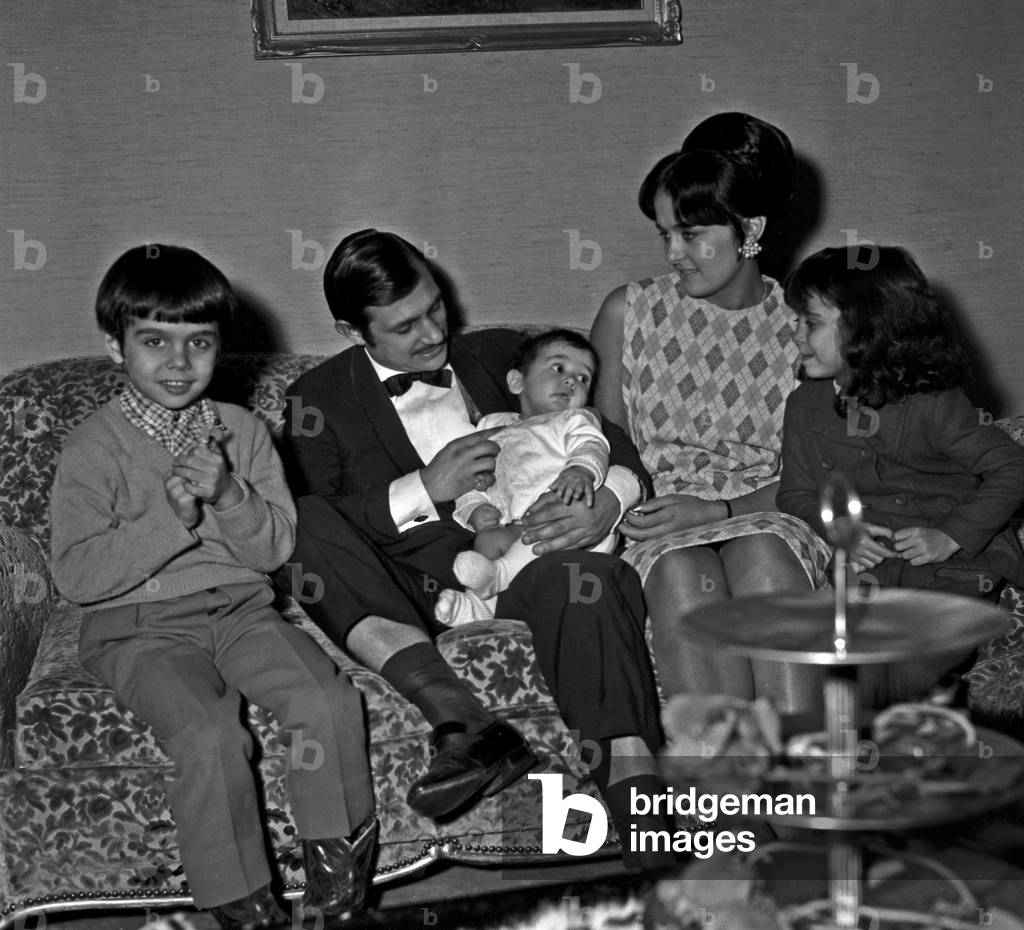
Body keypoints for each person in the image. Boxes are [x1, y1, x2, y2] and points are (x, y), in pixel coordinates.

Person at [280, 229, 675, 870]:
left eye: (435, 306)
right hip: (411, 586)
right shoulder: (317, 399)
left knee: (586, 579)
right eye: (405, 326)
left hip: (530, 556)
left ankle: (645, 823)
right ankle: (463, 721)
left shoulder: (498, 353)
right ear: (352, 332)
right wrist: (424, 487)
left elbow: (606, 438)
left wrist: (610, 498)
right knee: (298, 520)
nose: (434, 332)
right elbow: (318, 521)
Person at [49, 245, 376, 929]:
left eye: (198, 342)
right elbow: (76, 576)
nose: (178, 361)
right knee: (207, 734)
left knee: (326, 699)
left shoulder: (244, 432)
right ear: (115, 346)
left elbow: (274, 547)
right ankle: (245, 908)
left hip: (242, 614)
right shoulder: (91, 446)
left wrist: (230, 496)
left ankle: (337, 888)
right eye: (154, 342)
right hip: (136, 629)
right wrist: (172, 519)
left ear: (219, 347)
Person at [589, 113, 830, 712]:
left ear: (750, 228)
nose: (675, 253)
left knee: (763, 553)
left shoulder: (804, 325)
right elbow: (604, 444)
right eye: (664, 234)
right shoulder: (629, 312)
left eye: (691, 234)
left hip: (770, 510)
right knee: (679, 570)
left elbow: (820, 471)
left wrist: (721, 510)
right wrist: (648, 509)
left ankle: (802, 765)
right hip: (659, 520)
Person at [778, 244, 1024, 703]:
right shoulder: (803, 405)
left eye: (810, 323)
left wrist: (951, 535)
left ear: (866, 328)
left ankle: (918, 712)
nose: (794, 334)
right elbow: (795, 493)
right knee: (848, 663)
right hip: (871, 566)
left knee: (912, 662)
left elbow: (1013, 467)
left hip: (954, 563)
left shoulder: (934, 402)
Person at [436, 328, 617, 625]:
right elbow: (470, 477)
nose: (571, 380)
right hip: (513, 527)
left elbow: (591, 445)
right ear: (517, 382)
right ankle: (481, 608)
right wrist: (474, 508)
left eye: (583, 378)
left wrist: (580, 470)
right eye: (558, 368)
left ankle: (498, 577)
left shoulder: (575, 419)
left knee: (527, 543)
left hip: (568, 525)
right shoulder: (493, 425)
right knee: (487, 542)